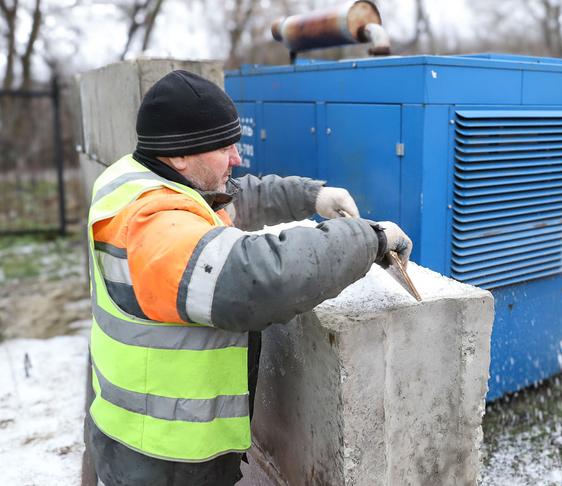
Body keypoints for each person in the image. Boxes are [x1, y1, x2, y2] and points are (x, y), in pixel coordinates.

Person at [85, 69, 412, 486]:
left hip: (146, 438)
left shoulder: (145, 177)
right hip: (163, 457)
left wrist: (311, 196)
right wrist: (370, 239)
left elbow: (231, 197)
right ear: (181, 154)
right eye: (225, 147)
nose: (237, 157)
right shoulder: (154, 225)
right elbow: (261, 278)